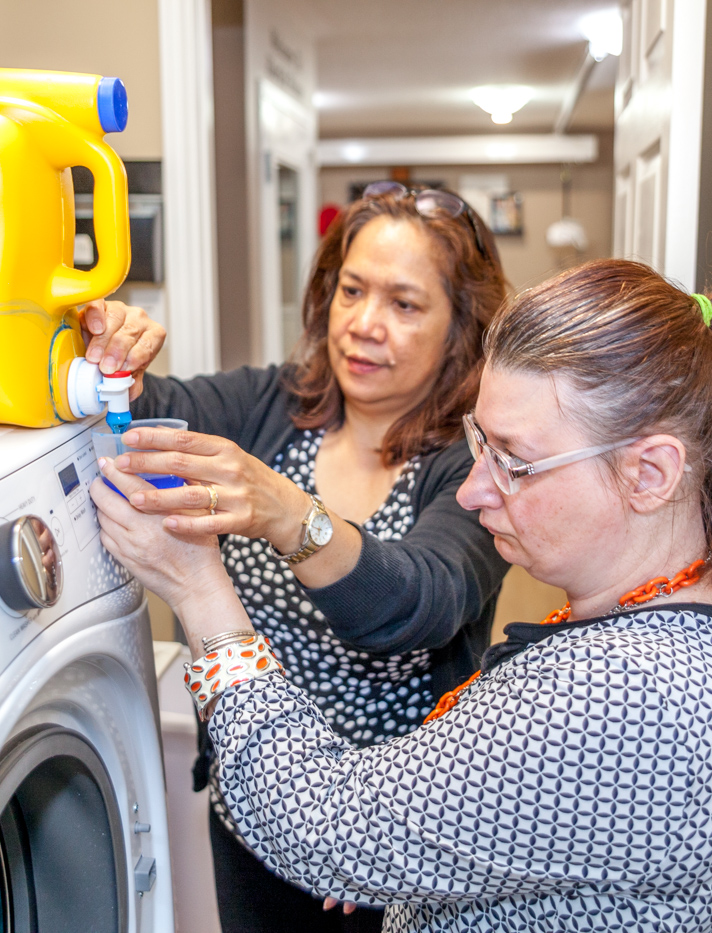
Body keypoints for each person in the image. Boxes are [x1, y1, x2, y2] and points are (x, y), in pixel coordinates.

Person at [90, 259, 712, 931]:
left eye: (515, 463)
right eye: (481, 444)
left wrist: (199, 589)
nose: (475, 490)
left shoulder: (626, 693)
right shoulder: (660, 622)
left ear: (650, 473)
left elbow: (315, 827)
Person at [80, 183, 513, 931]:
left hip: (391, 845)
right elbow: (144, 417)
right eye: (352, 290)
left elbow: (418, 605)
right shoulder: (270, 407)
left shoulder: (472, 466)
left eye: (405, 305)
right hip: (253, 811)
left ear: (459, 329)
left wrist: (288, 511)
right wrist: (113, 355)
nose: (364, 325)